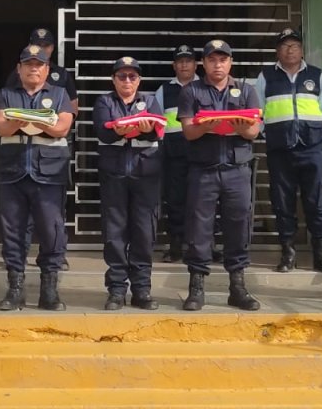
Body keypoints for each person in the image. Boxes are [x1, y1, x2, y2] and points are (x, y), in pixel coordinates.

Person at [176, 39, 262, 312]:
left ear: (230, 63)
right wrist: (206, 126)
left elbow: (254, 131)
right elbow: (189, 132)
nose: (218, 65)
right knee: (198, 229)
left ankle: (238, 288)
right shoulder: (191, 91)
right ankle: (196, 288)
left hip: (237, 170)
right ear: (203, 63)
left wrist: (239, 126)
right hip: (203, 170)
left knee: (238, 226)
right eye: (212, 60)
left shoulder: (246, 90)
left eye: (223, 59)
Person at [0, 44, 76, 311]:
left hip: (49, 173)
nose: (33, 69)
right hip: (14, 172)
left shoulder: (60, 94)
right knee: (12, 231)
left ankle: (49, 289)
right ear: (19, 68)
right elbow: (1, 127)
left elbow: (62, 127)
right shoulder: (6, 94)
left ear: (46, 69)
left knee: (52, 231)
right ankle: (15, 288)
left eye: (38, 65)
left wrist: (42, 123)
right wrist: (17, 122)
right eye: (28, 64)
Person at [255, 28, 322, 274]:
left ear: (302, 49)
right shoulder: (266, 76)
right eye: (285, 46)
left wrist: (318, 134)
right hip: (280, 149)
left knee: (316, 202)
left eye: (295, 45)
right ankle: (288, 254)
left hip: (311, 147)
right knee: (282, 202)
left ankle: (320, 254)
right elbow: (258, 112)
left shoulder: (316, 75)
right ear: (277, 51)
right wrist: (268, 134)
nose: (290, 50)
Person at [93, 56, 163, 310]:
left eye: (132, 76)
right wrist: (119, 131)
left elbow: (158, 130)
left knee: (144, 232)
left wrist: (143, 129)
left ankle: (142, 289)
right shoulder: (104, 102)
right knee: (115, 234)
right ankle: (116, 290)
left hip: (145, 175)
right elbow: (102, 131)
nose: (127, 81)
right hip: (114, 175)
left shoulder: (150, 101)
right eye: (122, 76)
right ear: (113, 79)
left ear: (139, 80)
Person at [7, 28, 77, 271]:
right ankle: (20, 255)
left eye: (46, 46)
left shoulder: (61, 76)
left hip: (51, 153)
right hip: (21, 154)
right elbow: (7, 110)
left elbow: (73, 108)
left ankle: (56, 256)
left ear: (52, 48)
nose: (42, 49)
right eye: (37, 44)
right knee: (21, 213)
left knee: (53, 212)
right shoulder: (16, 76)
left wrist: (53, 123)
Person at [154, 45, 198, 263]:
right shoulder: (164, 90)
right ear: (174, 65)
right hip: (173, 155)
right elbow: (157, 122)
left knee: (202, 202)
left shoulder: (205, 87)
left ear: (195, 65)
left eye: (188, 61)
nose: (184, 65)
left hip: (201, 153)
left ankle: (203, 247)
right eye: (180, 61)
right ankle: (176, 246)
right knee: (175, 202)